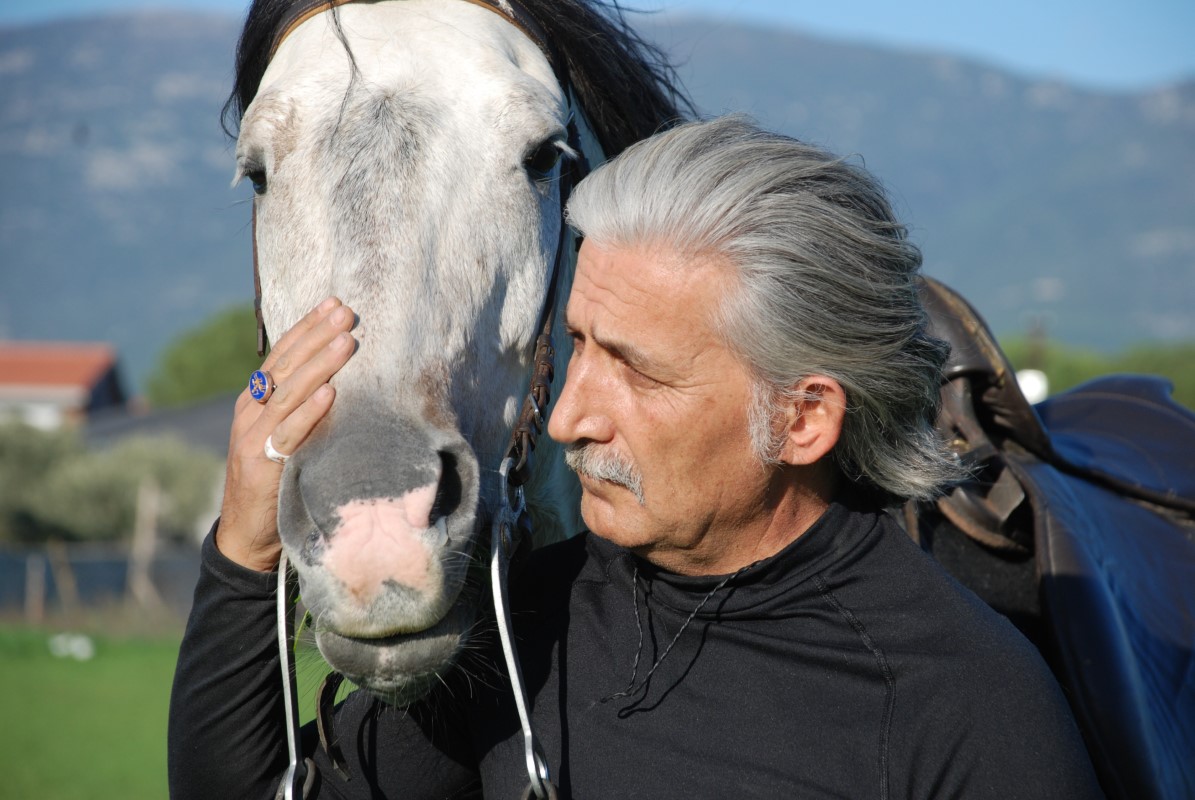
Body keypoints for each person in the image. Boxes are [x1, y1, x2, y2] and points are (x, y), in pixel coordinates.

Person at [169, 116, 1102, 798]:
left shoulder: (971, 711)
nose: (570, 418)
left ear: (804, 419)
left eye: (638, 373)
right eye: (576, 348)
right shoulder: (523, 620)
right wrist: (247, 549)